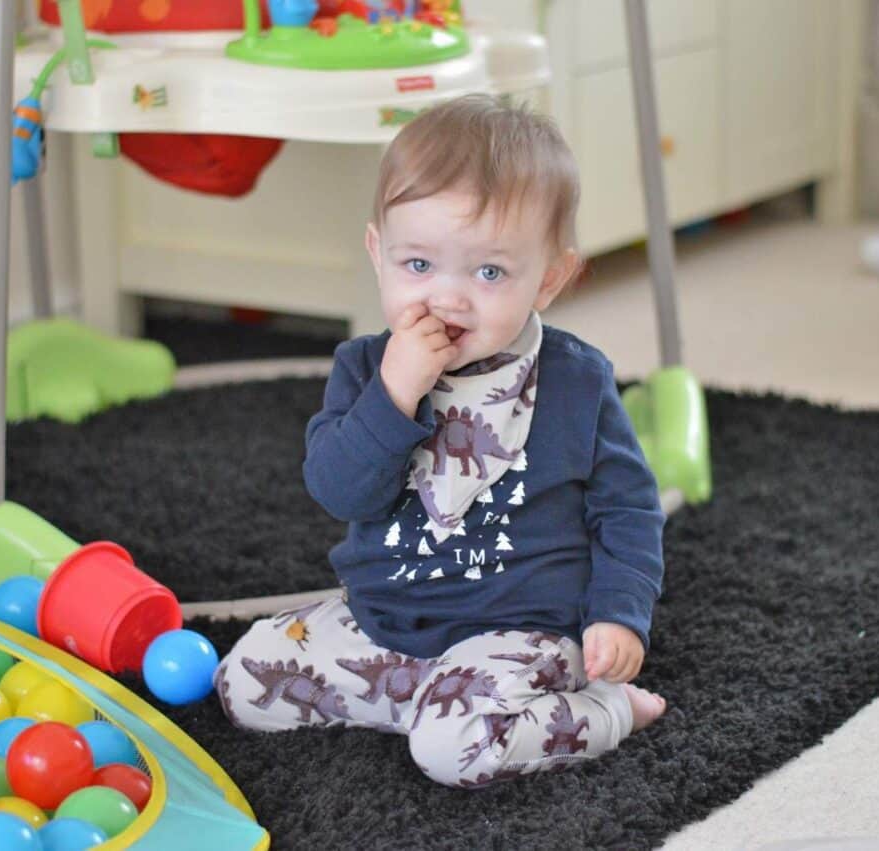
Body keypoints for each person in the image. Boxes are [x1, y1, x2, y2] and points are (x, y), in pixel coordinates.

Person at [215, 94, 666, 788]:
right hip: (385, 625)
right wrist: (394, 394)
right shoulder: (365, 369)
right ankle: (427, 697)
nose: (447, 298)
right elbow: (338, 489)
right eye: (418, 266)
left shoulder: (577, 379)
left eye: (489, 272)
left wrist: (619, 616)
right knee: (243, 683)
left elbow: (627, 511)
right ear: (379, 253)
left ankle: (602, 711)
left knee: (450, 751)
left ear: (549, 277)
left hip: (523, 634)